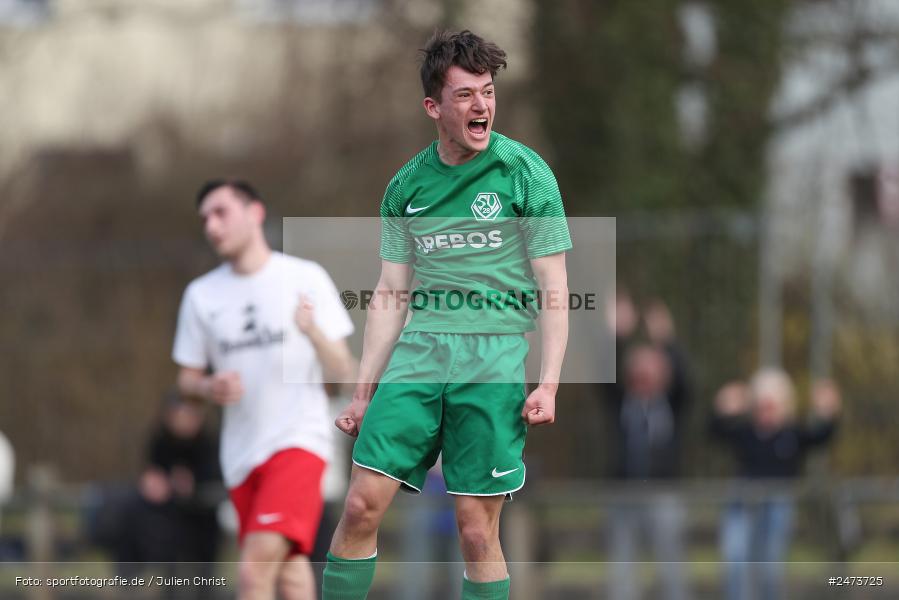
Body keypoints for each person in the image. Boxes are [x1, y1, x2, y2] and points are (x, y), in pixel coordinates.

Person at [321, 30, 571, 600]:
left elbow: (555, 285)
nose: (481, 105)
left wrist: (550, 382)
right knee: (359, 505)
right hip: (421, 350)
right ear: (433, 107)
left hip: (494, 355)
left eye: (487, 92)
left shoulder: (526, 174)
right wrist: (363, 392)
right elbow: (390, 293)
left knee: (476, 533)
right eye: (465, 95)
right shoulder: (406, 187)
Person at [173, 179, 355, 600]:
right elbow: (186, 380)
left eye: (221, 213)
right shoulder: (201, 295)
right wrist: (206, 384)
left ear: (255, 212)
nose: (212, 226)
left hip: (298, 443)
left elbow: (344, 369)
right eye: (204, 219)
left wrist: (312, 332)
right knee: (290, 572)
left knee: (254, 571)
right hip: (240, 457)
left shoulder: (304, 277)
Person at [710, 369, 841, 600]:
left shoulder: (791, 433)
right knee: (736, 560)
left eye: (772, 405)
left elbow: (820, 436)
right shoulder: (746, 432)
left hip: (777, 506)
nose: (766, 412)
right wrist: (723, 408)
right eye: (762, 405)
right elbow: (714, 431)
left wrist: (828, 414)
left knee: (770, 566)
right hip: (743, 503)